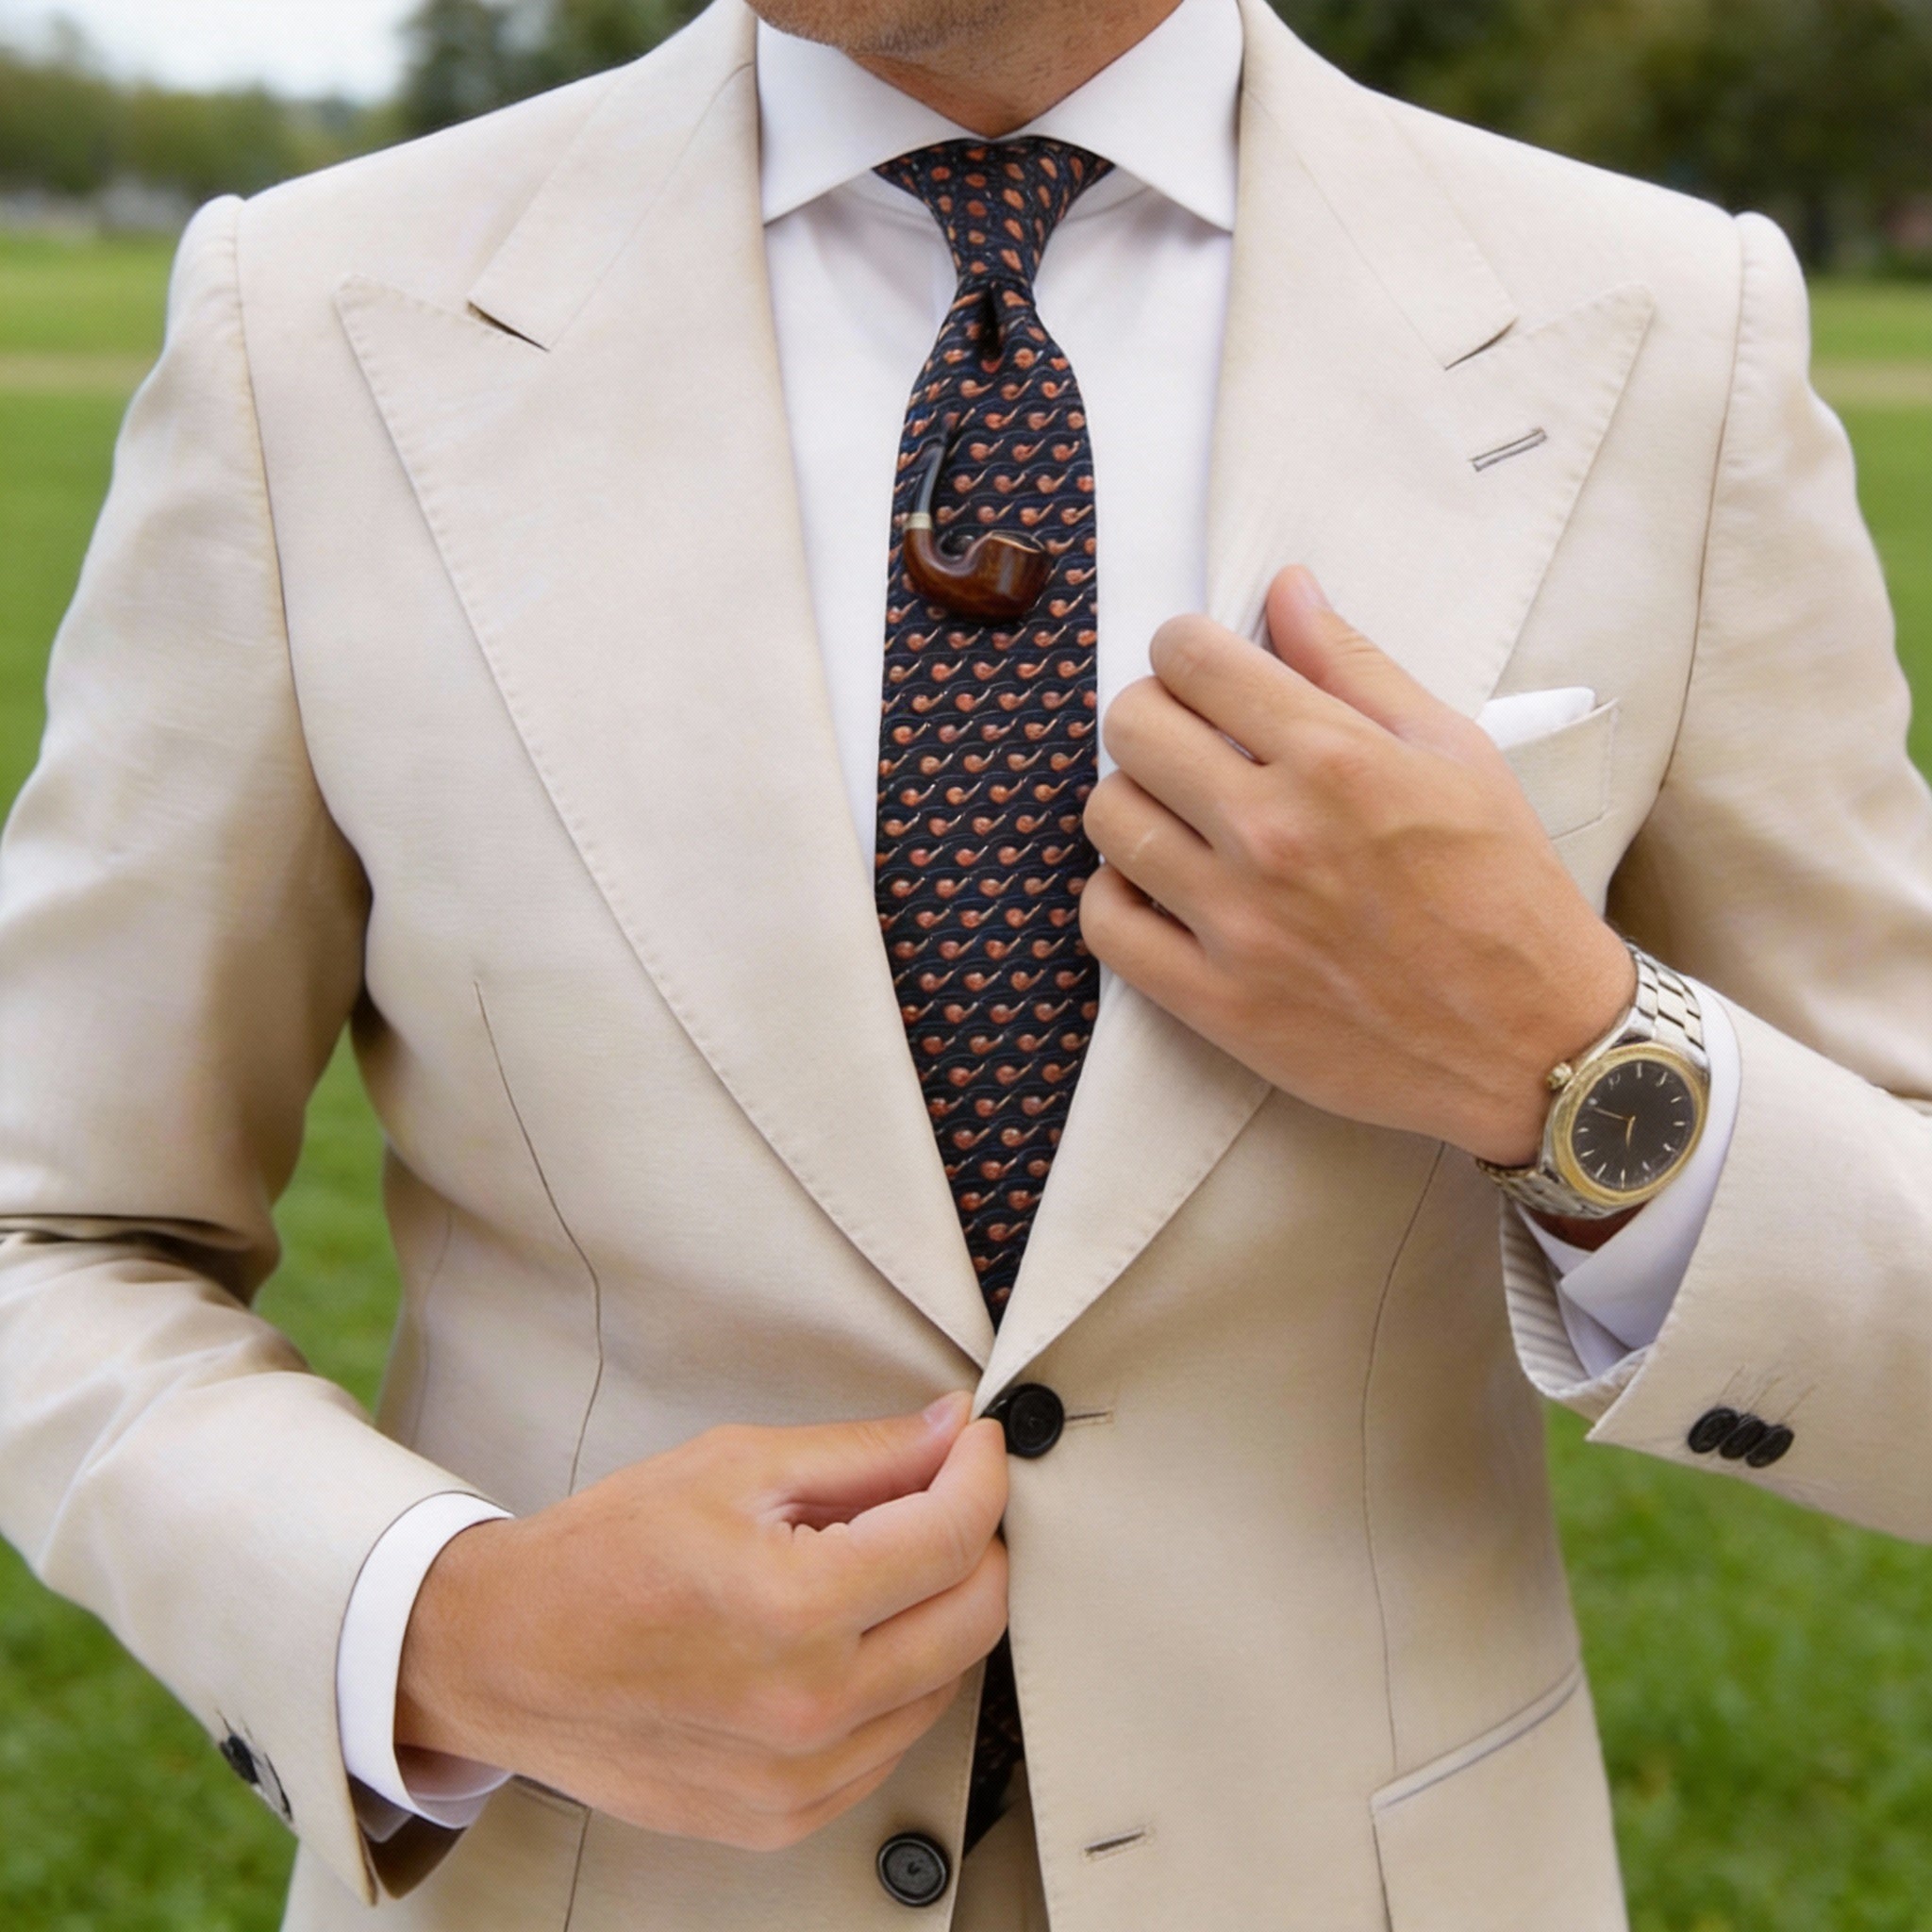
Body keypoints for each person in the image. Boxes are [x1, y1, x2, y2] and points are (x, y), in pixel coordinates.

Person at [2, 0, 1928, 1924]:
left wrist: (1565, 1059)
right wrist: (446, 1626)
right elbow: (51, 1226)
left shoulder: (1670, 330)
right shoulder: (310, 318)